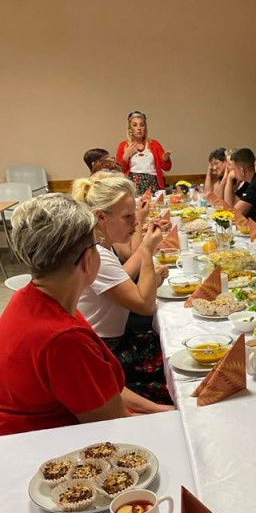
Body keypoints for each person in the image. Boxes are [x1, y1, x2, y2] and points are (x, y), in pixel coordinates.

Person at [0, 195, 172, 435]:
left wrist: (156, 409)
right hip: (45, 445)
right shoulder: (64, 338)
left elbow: (104, 390)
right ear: (87, 259)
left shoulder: (35, 298)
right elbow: (115, 425)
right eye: (96, 246)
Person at [72, 172, 172, 405]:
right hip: (106, 352)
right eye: (128, 217)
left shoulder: (102, 245)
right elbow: (145, 305)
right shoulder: (96, 254)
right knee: (176, 369)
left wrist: (149, 279)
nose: (136, 222)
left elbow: (123, 287)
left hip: (114, 341)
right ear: (101, 217)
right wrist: (147, 249)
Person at [116, 110, 172, 194]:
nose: (139, 128)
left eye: (142, 125)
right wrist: (126, 157)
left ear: (145, 127)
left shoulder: (154, 144)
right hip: (133, 183)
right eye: (135, 125)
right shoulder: (123, 145)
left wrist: (166, 158)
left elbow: (166, 168)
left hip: (153, 183)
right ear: (130, 128)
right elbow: (119, 170)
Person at [223, 147, 256, 228]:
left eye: (234, 169)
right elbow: (229, 204)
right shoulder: (248, 182)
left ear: (242, 171)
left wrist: (229, 178)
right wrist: (229, 179)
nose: (232, 172)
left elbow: (234, 213)